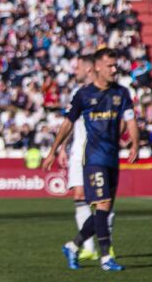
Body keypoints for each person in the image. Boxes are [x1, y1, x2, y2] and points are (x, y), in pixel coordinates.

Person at [43, 47, 139, 272]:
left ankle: (72, 246)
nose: (114, 69)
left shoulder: (121, 93)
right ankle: (106, 257)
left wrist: (135, 143)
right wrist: (54, 150)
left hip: (112, 158)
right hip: (92, 158)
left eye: (116, 65)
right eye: (110, 65)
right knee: (102, 206)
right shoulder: (84, 95)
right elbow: (67, 124)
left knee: (102, 212)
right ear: (97, 67)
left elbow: (131, 120)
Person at [56, 54, 114, 261]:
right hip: (78, 153)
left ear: (89, 69)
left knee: (103, 201)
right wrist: (62, 147)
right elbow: (70, 122)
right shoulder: (77, 92)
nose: (75, 71)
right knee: (80, 197)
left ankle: (106, 246)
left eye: (78, 67)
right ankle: (88, 248)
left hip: (98, 152)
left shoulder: (108, 91)